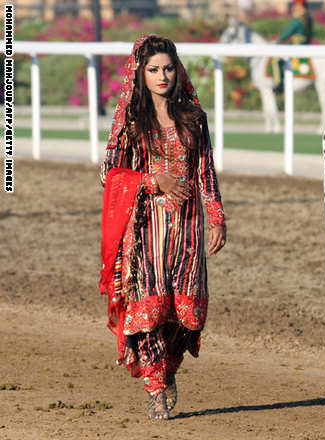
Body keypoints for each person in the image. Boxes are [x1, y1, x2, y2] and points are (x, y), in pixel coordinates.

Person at [99, 35, 226, 420]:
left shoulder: (193, 117)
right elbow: (109, 174)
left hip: (188, 230)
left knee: (186, 314)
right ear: (141, 73)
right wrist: (155, 181)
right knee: (150, 308)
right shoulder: (132, 122)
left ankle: (168, 370)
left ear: (178, 70)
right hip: (145, 232)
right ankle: (154, 387)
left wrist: (217, 216)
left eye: (168, 68)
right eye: (153, 69)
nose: (162, 75)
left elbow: (206, 169)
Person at [271, 0, 313, 93]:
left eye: (296, 5)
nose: (294, 7)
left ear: (300, 5)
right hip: (305, 44)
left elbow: (288, 32)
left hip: (297, 45)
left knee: (276, 60)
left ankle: (279, 84)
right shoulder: (308, 17)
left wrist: (278, 41)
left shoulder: (299, 18)